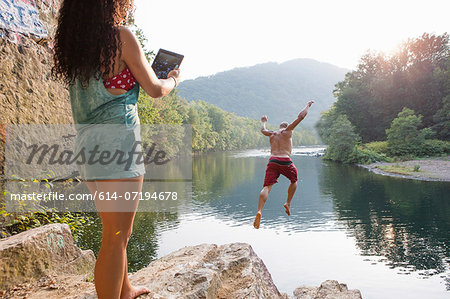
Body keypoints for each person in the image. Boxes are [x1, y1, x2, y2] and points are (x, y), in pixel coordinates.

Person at [52, 1, 181, 298]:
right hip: (119, 145)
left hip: (88, 146)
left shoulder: (74, 46)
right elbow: (155, 89)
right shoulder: (120, 37)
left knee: (119, 231)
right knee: (115, 236)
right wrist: (172, 79)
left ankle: (125, 289)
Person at [253, 101, 314, 229]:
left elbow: (262, 130)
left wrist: (263, 121)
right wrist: (308, 106)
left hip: (273, 161)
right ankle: (288, 203)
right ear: (286, 127)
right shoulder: (287, 131)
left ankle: (259, 211)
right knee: (294, 180)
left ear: (279, 126)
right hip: (285, 160)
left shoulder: (272, 133)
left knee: (266, 187)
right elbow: (301, 117)